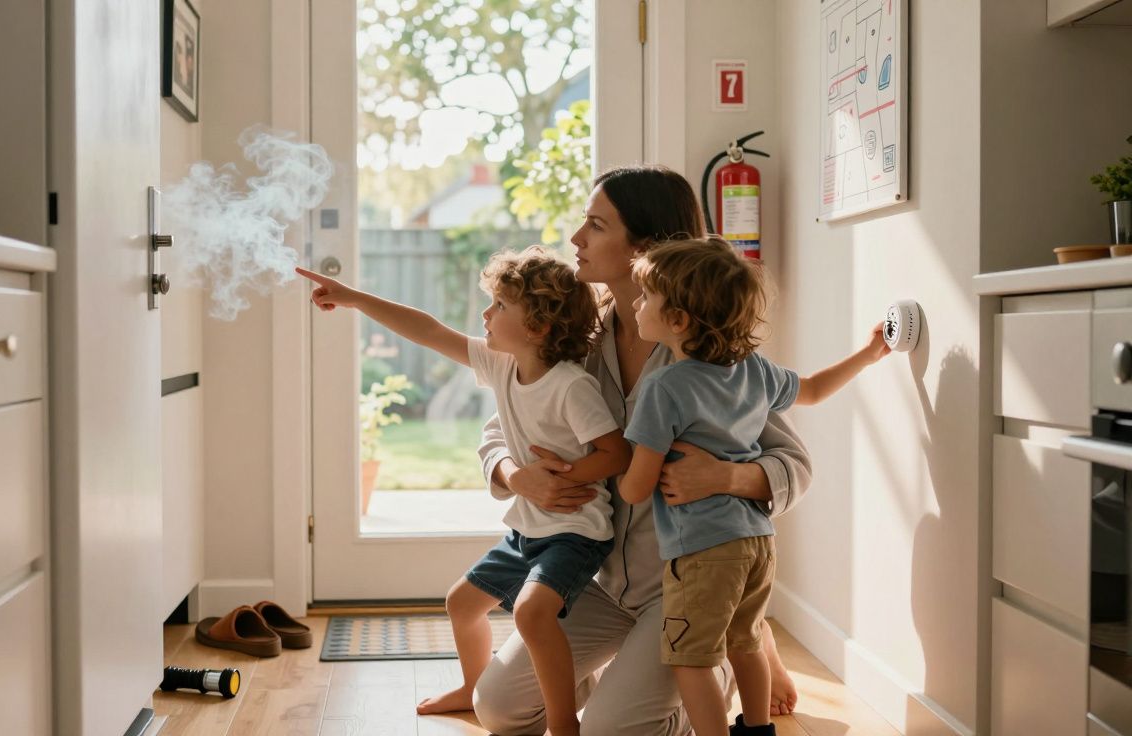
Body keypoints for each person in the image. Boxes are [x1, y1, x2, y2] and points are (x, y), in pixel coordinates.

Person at [473, 165, 812, 735]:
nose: (577, 238)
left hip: (686, 585)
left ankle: (725, 656)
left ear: (646, 248)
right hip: (602, 583)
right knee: (498, 707)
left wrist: (728, 478)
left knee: (611, 731)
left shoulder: (705, 356)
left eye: (597, 225)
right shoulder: (580, 341)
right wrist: (512, 473)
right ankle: (643, 679)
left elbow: (794, 464)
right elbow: (499, 427)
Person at [296, 247, 631, 736]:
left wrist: (565, 477)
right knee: (462, 603)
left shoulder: (570, 386)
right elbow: (429, 330)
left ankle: (562, 723)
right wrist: (354, 299)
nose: (486, 314)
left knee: (533, 614)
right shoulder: (501, 365)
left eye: (499, 306)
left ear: (536, 327)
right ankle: (472, 687)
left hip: (575, 532)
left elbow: (616, 454)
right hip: (528, 528)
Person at [618, 238, 889, 735]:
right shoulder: (754, 369)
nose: (635, 304)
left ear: (677, 320)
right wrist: (870, 353)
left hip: (702, 551)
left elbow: (636, 489)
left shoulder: (665, 388)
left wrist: (625, 468)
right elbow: (813, 389)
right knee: (746, 642)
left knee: (691, 659)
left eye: (645, 297)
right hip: (757, 542)